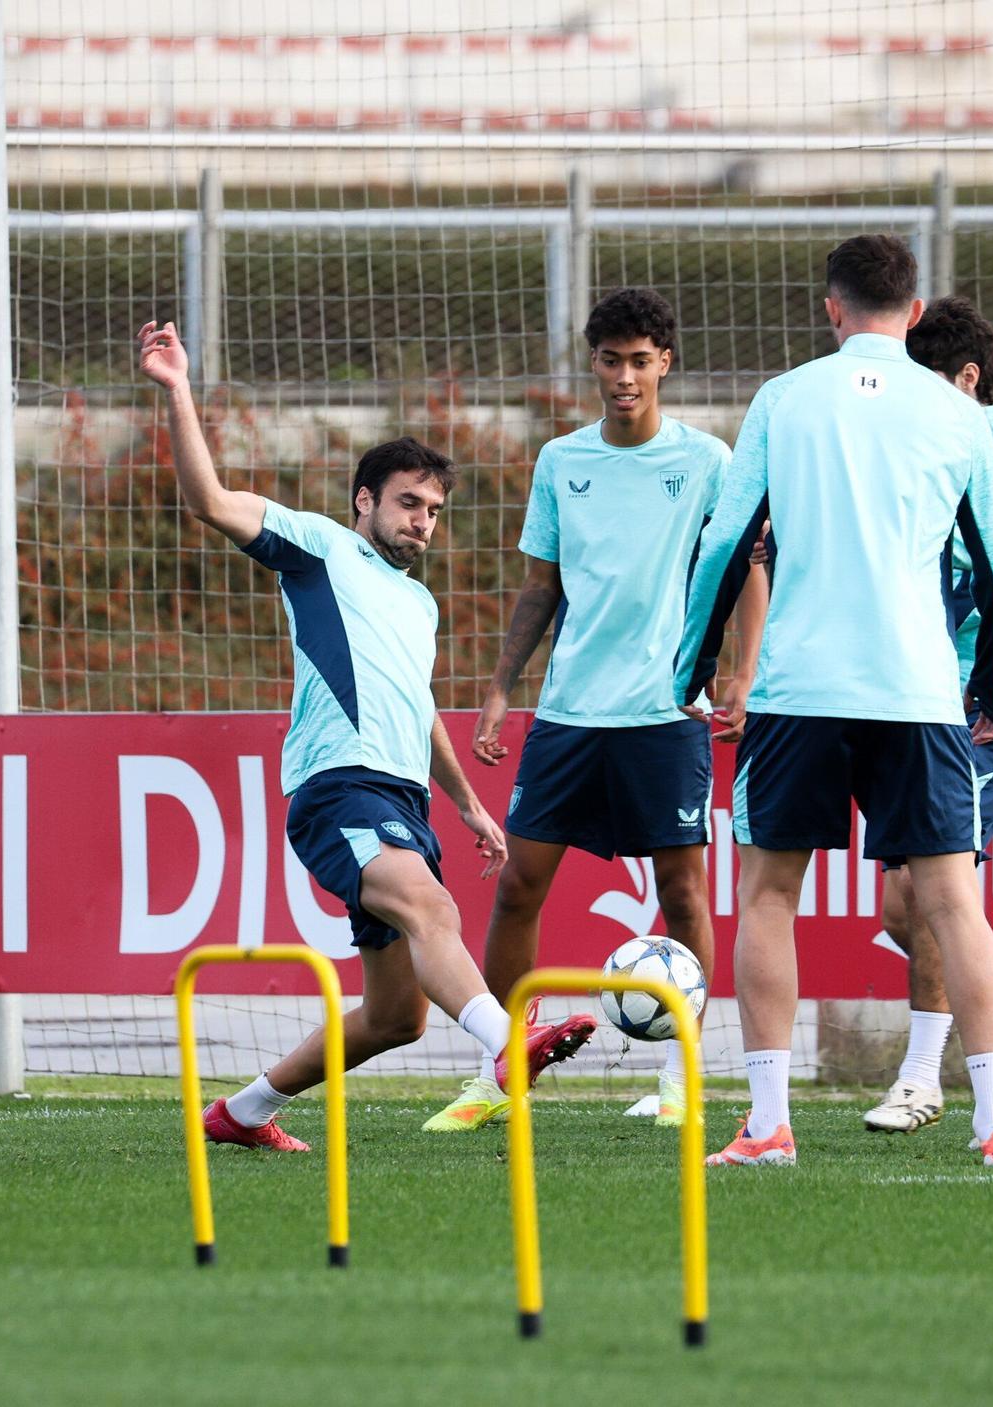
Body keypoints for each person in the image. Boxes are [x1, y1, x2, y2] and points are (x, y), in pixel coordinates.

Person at [135, 319, 594, 1152]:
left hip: (403, 796)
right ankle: (503, 1047)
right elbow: (208, 501)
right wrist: (177, 390)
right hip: (337, 786)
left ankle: (239, 1112)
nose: (422, 521)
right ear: (364, 501)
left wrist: (466, 805)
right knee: (432, 906)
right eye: (408, 503)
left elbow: (416, 709)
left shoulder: (419, 605)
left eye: (433, 510)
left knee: (395, 1016)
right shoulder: (316, 547)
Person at [673, 235, 993, 1168]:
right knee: (956, 900)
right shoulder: (954, 414)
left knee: (767, 895)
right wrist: (992, 684)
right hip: (917, 688)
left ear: (831, 309)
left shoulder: (786, 397)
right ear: (913, 314)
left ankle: (767, 1125)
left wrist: (690, 670)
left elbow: (725, 544)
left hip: (801, 685)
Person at [427, 288, 766, 1133]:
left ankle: (683, 1081)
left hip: (665, 713)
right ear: (594, 364)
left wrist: (741, 676)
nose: (624, 376)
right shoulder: (560, 461)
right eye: (610, 360)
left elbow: (747, 569)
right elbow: (542, 585)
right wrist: (503, 689)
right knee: (516, 889)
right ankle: (500, 1069)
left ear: (665, 364)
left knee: (684, 896)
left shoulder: (708, 464)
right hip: (571, 713)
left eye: (640, 360)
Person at [864, 295, 993, 1136]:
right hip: (924, 703)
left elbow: (990, 572)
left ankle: (921, 1079)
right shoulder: (931, 451)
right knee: (899, 904)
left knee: (927, 890)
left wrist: (982, 683)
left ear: (968, 379)